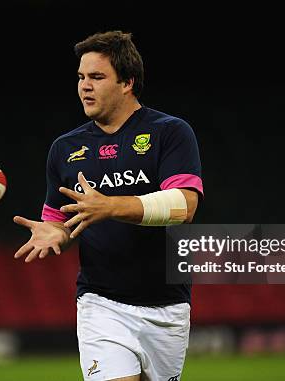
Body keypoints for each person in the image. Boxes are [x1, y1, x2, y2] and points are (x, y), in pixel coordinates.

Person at [14, 30, 203, 381]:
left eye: (97, 77)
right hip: (102, 303)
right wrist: (54, 231)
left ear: (128, 82)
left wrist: (110, 206)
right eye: (81, 77)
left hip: (168, 306)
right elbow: (63, 221)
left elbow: (183, 206)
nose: (85, 86)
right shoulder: (65, 149)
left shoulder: (170, 133)